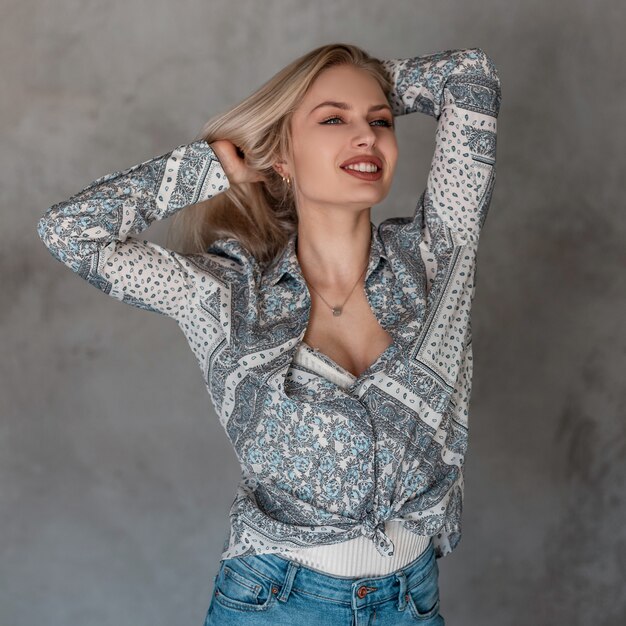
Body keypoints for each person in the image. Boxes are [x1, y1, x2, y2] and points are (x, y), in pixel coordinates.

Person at [37, 42, 501, 625]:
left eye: (380, 121)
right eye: (333, 119)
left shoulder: (439, 259)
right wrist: (219, 164)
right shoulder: (223, 296)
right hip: (278, 603)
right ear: (281, 155)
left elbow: (469, 76)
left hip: (411, 601)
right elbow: (70, 231)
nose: (367, 136)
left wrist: (369, 83)